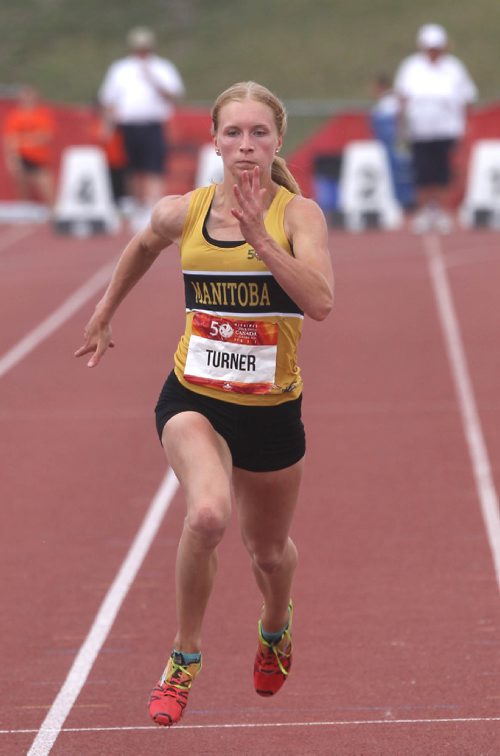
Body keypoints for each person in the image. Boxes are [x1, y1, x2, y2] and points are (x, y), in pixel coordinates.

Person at [75, 81, 334, 727]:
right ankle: (183, 657)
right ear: (215, 141)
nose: (246, 146)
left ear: (278, 141)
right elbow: (141, 245)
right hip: (193, 397)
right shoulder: (183, 210)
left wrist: (261, 238)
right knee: (209, 516)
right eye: (233, 133)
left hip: (271, 410)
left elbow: (321, 303)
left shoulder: (298, 216)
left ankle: (276, 625)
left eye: (259, 134)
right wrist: (105, 312)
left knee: (268, 553)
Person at [98, 26, 185, 229]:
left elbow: (175, 95)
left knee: (154, 167)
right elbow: (108, 99)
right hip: (127, 124)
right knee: (132, 168)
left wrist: (153, 79)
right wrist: (107, 124)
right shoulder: (120, 68)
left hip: (152, 124)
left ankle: (153, 207)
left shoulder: (163, 67)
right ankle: (138, 207)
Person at [394, 23, 477, 233]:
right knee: (422, 172)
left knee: (443, 172)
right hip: (419, 130)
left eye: (437, 48)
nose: (433, 52)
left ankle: (441, 211)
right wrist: (401, 126)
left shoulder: (454, 68)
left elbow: (467, 98)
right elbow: (402, 98)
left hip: (447, 129)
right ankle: (423, 212)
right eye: (430, 47)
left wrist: (467, 126)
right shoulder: (411, 67)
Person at [2, 85, 56, 207]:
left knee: (46, 186)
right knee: (22, 187)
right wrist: (11, 158)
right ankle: (24, 214)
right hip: (21, 157)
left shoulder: (42, 114)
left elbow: (45, 136)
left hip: (38, 157)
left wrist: (23, 139)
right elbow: (10, 140)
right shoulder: (14, 116)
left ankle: (54, 213)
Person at [370, 72, 414, 210]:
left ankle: (403, 201)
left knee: (398, 173)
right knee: (404, 172)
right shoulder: (390, 102)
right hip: (399, 143)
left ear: (380, 87)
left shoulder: (387, 104)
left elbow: (393, 124)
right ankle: (406, 200)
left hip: (394, 144)